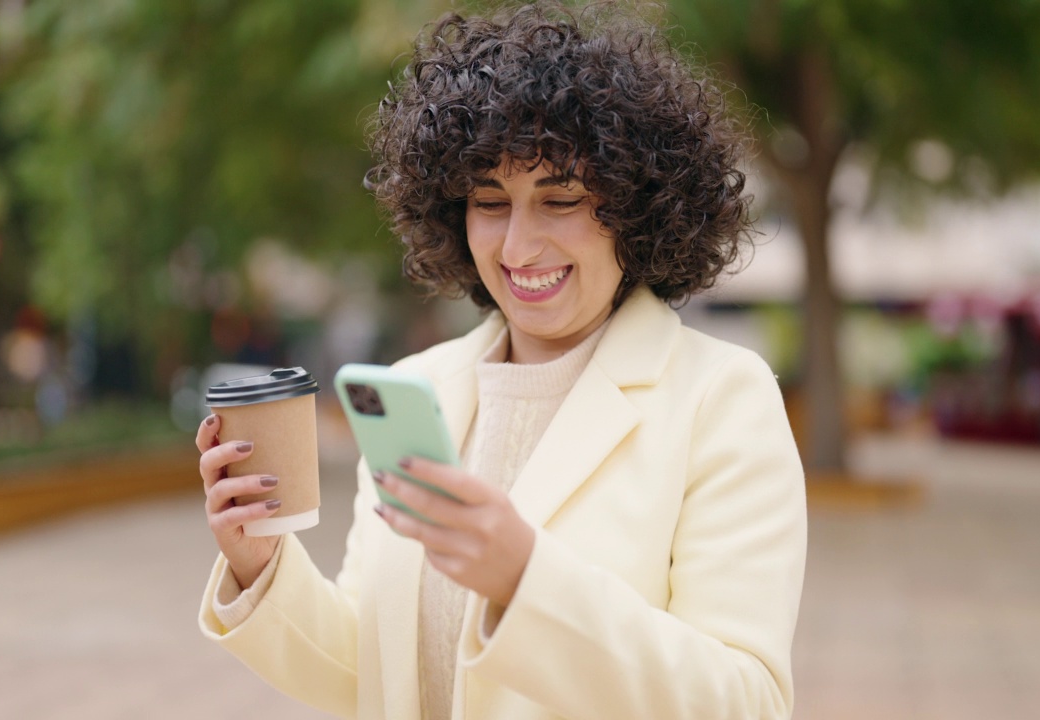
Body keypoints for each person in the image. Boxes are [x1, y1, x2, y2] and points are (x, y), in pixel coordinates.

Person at [196, 3, 807, 719]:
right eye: (490, 201)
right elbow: (374, 673)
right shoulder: (415, 389)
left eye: (561, 199)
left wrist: (527, 580)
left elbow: (746, 702)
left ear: (640, 209)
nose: (518, 246)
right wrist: (259, 563)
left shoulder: (721, 401)